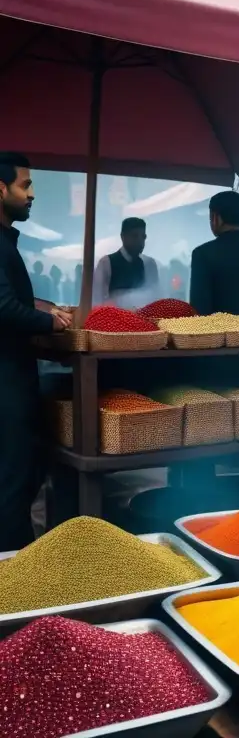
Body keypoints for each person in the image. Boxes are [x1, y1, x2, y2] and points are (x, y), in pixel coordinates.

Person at [0, 152, 71, 550]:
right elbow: (2, 306)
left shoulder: (7, 241)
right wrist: (50, 322)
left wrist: (42, 307)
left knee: (19, 479)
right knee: (13, 481)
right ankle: (12, 578)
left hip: (15, 376)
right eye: (24, 185)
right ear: (0, 189)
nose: (31, 195)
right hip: (6, 381)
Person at [93, 217, 160, 308]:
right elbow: (97, 301)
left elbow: (155, 298)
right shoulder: (106, 263)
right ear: (123, 237)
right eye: (135, 236)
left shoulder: (149, 264)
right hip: (114, 320)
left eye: (143, 237)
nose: (140, 241)